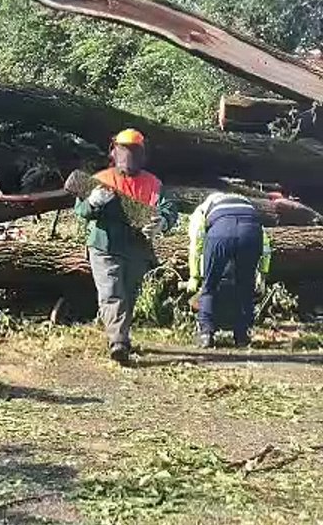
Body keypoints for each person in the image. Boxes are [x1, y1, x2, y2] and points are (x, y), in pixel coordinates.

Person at [73, 129, 178, 364]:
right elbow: (80, 210)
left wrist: (162, 222)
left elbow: (170, 208)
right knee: (112, 292)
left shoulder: (153, 183)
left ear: (142, 154)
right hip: (105, 244)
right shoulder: (101, 179)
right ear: (114, 151)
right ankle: (118, 342)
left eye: (133, 151)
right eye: (124, 150)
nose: (127, 156)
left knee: (129, 295)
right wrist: (92, 203)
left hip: (137, 248)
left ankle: (121, 336)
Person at [185, 192, 272, 348]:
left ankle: (206, 334)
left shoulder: (201, 211)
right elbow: (265, 245)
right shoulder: (249, 207)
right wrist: (263, 274)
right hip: (250, 233)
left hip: (221, 233)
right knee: (245, 287)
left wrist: (195, 275)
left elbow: (197, 241)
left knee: (209, 286)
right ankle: (242, 335)